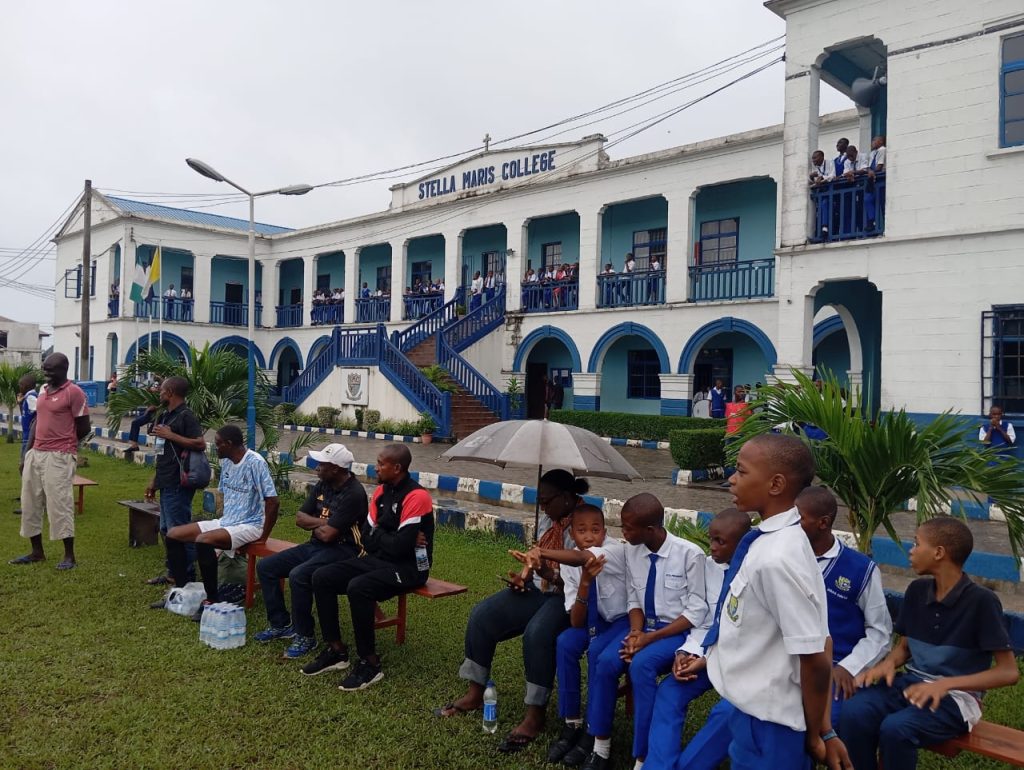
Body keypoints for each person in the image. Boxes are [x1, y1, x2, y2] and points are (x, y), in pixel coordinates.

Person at [695, 434, 849, 770]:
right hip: (754, 711)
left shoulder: (776, 558)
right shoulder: (775, 541)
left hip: (771, 724)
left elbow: (815, 656)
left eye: (741, 471)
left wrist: (818, 733)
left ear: (776, 484)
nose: (732, 479)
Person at [841, 517, 1019, 770]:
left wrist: (945, 684)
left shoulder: (982, 602)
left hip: (957, 698)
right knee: (854, 712)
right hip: (911, 686)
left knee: (896, 729)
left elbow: (1008, 672)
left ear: (938, 553)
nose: (911, 550)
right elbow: (904, 648)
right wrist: (888, 664)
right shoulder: (916, 591)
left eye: (916, 543)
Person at [435, 469, 589, 753]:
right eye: (540, 501)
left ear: (567, 498)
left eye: (547, 501)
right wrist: (524, 575)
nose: (542, 507)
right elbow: (536, 556)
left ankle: (534, 714)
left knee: (537, 634)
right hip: (542, 589)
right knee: (484, 615)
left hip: (568, 598)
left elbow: (577, 577)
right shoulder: (549, 518)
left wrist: (548, 573)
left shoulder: (585, 522)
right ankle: (475, 692)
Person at [580, 493, 707, 770]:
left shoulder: (689, 555)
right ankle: (600, 747)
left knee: (641, 666)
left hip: (674, 632)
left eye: (628, 528)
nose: (622, 533)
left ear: (650, 530)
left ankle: (642, 756)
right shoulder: (632, 551)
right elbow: (634, 599)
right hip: (643, 627)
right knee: (605, 662)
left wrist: (650, 638)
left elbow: (696, 611)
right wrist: (637, 633)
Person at [504, 505, 627, 766]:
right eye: (581, 531)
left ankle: (595, 734)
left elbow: (586, 558)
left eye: (596, 530)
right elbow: (576, 619)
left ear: (605, 532)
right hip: (591, 620)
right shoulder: (570, 562)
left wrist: (541, 552)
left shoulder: (615, 550)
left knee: (597, 654)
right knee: (565, 643)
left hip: (619, 621)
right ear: (572, 533)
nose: (590, 536)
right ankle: (572, 722)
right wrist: (584, 583)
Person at [308, 444, 435, 690]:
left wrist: (387, 538)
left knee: (359, 587)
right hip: (380, 560)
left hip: (411, 569)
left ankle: (370, 663)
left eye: (381, 463)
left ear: (397, 468)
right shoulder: (380, 492)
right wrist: (392, 537)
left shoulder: (417, 496)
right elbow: (367, 536)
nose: (375, 467)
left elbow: (401, 548)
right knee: (322, 576)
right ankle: (336, 650)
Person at [644, 508, 752, 770]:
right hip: (706, 656)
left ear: (742, 544)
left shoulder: (757, 575)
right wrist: (686, 652)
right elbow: (704, 620)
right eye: (711, 538)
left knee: (727, 713)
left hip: (744, 666)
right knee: (669, 692)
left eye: (720, 542)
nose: (712, 547)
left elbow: (750, 637)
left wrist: (706, 659)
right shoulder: (708, 567)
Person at [253, 443, 369, 659]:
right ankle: (280, 624)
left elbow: (329, 535)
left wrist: (319, 525)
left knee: (299, 575)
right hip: (316, 546)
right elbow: (299, 518)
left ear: (335, 468)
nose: (316, 468)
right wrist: (323, 521)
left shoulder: (354, 493)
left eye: (321, 464)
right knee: (266, 566)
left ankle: (306, 635)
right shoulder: (322, 484)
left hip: (345, 550)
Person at [160, 426, 279, 621]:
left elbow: (273, 502)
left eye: (218, 444)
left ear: (230, 444)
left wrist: (262, 537)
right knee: (173, 534)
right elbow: (226, 496)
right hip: (227, 521)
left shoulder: (255, 463)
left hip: (250, 524)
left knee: (203, 540)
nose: (215, 448)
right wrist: (220, 526)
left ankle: (212, 600)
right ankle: (183, 590)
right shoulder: (227, 462)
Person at [796, 486, 892, 728]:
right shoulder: (785, 557)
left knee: (822, 723)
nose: (790, 525)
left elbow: (880, 632)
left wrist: (849, 668)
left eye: (798, 519)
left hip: (835, 667)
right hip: (788, 659)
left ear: (823, 522)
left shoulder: (861, 568)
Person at [10, 353, 90, 569]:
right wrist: (28, 453)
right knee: (30, 503)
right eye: (44, 369)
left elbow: (84, 427)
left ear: (64, 369)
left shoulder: (74, 393)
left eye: (50, 370)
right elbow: (38, 421)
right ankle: (37, 552)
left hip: (59, 456)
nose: (45, 374)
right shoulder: (43, 391)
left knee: (59, 505)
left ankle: (69, 556)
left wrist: (65, 445)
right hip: (36, 453)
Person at [143, 376, 207, 596]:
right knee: (165, 529)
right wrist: (154, 480)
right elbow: (162, 451)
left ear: (170, 392)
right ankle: (173, 571)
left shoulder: (186, 416)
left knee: (179, 530)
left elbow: (200, 443)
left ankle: (186, 575)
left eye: (161, 390)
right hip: (166, 478)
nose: (159, 392)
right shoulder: (165, 415)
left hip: (180, 481)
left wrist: (173, 435)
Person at [17, 372, 38, 461]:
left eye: (21, 385)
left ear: (27, 386)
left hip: (29, 436)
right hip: (27, 435)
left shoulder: (31, 397)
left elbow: (41, 409)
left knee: (24, 461)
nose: (19, 387)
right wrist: (20, 403)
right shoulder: (27, 397)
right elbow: (26, 413)